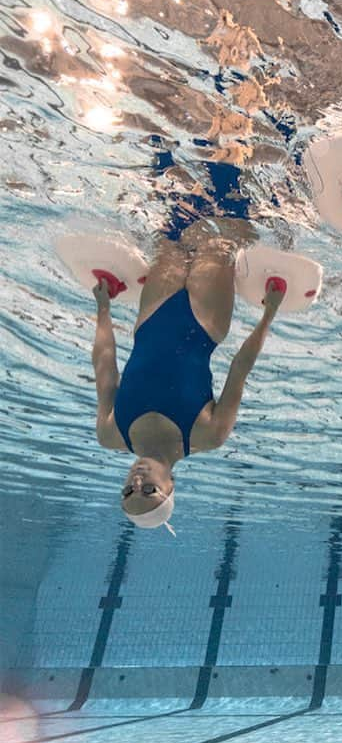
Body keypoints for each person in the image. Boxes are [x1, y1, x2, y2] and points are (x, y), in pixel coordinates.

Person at [91, 224, 285, 533]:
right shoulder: (207, 435)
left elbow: (105, 367)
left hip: (152, 314)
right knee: (220, 229)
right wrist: (269, 314)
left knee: (172, 226)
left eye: (127, 491)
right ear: (170, 486)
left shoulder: (111, 433)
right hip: (204, 320)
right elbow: (239, 370)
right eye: (149, 491)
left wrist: (103, 309)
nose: (137, 481)